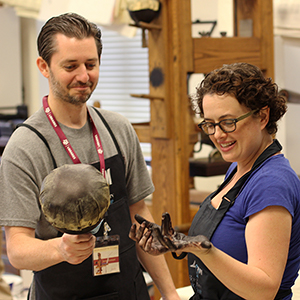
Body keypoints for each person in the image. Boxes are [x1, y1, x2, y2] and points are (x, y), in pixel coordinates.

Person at [0, 12, 180, 300]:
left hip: (128, 291)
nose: (84, 76)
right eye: (71, 66)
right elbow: (18, 249)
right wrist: (60, 248)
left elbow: (139, 215)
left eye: (91, 64)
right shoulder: (25, 148)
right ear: (43, 67)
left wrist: (169, 292)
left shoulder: (117, 129)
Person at [130, 63, 300, 300]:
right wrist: (177, 244)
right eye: (210, 124)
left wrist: (203, 251)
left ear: (262, 116)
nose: (218, 135)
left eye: (228, 122)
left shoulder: (271, 183)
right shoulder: (238, 169)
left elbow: (264, 289)